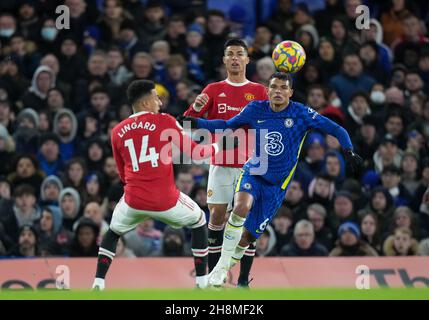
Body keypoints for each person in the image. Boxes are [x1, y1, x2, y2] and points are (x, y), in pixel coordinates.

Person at [180, 72, 363, 287]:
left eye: (283, 88)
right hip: (254, 172)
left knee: (246, 238)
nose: (278, 91)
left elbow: (335, 128)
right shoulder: (255, 109)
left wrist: (349, 150)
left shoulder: (301, 113)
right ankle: (220, 269)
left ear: (290, 92)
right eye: (274, 87)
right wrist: (196, 123)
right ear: (267, 91)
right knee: (240, 207)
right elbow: (227, 125)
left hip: (277, 186)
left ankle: (227, 267)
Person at [92, 79, 235, 290]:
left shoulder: (117, 131)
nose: (159, 102)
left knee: (113, 231)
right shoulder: (165, 121)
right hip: (166, 201)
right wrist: (221, 144)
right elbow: (197, 152)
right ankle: (201, 282)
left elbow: (122, 174)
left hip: (133, 200)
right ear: (144, 103)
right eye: (155, 97)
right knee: (198, 221)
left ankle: (98, 283)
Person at [181, 38, 268, 285]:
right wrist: (195, 108)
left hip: (250, 166)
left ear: (247, 59)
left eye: (239, 54)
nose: (234, 58)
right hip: (220, 163)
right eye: (230, 54)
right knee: (217, 217)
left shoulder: (260, 92)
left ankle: (242, 281)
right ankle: (213, 278)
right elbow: (188, 124)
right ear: (224, 60)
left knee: (247, 221)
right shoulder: (212, 90)